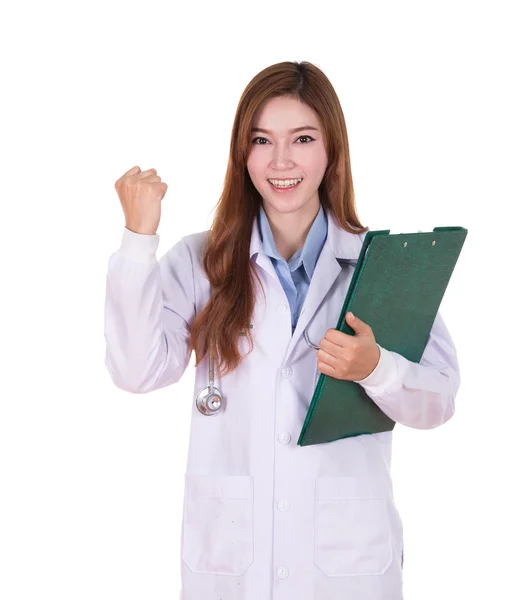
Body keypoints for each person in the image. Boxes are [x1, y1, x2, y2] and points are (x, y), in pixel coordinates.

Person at [104, 61, 460, 600]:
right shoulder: (202, 262)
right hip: (233, 562)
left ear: (330, 151)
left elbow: (439, 401)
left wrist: (377, 369)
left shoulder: (379, 264)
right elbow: (136, 371)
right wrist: (138, 239)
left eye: (303, 138)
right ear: (241, 154)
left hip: (347, 567)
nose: (281, 160)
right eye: (262, 140)